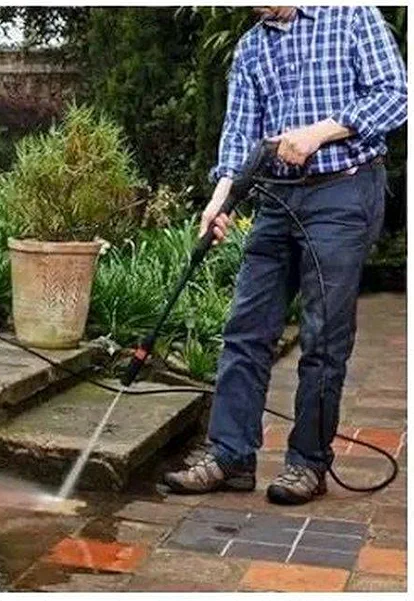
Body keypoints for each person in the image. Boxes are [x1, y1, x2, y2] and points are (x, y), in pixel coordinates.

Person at [163, 6, 406, 505]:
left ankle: (308, 462)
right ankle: (230, 455)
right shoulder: (251, 46)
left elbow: (396, 95)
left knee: (323, 336)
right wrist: (220, 202)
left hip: (344, 189)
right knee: (246, 328)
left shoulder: (352, 15)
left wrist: (321, 131)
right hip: (276, 198)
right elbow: (240, 136)